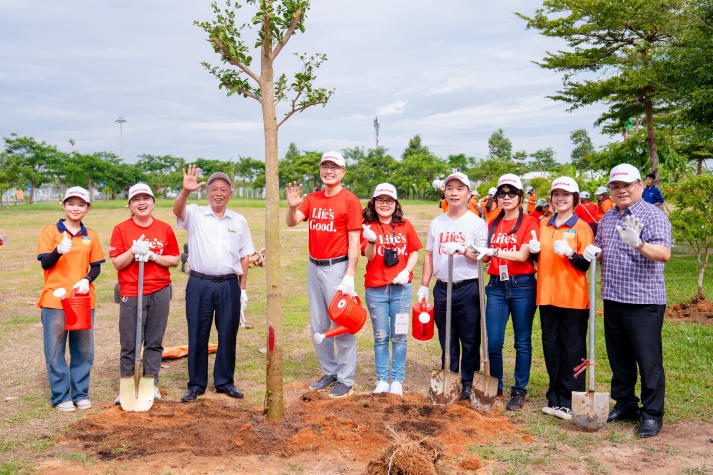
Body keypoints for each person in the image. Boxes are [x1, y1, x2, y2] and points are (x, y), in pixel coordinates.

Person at [584, 163, 671, 438]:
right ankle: (625, 404)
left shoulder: (652, 215)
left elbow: (664, 253)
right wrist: (593, 252)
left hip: (644, 301)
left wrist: (639, 245)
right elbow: (602, 250)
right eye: (616, 186)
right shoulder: (608, 218)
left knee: (647, 359)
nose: (621, 191)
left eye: (627, 186)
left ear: (640, 186)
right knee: (619, 357)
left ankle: (652, 413)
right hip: (613, 297)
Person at [173, 166, 254, 403]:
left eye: (223, 190)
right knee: (197, 332)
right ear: (207, 192)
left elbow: (244, 255)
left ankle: (225, 382)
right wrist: (185, 191)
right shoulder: (196, 214)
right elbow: (177, 211)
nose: (218, 193)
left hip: (229, 285)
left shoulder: (239, 220)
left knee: (228, 333)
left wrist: (243, 288)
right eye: (214, 189)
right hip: (200, 283)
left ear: (230, 193)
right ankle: (196, 384)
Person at [285, 151, 362, 398]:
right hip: (313, 266)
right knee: (318, 322)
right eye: (325, 166)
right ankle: (330, 371)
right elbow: (292, 221)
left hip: (337, 267)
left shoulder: (350, 200)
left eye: (334, 167)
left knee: (342, 322)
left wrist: (350, 274)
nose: (329, 171)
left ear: (343, 172)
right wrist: (292, 207)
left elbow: (354, 240)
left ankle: (346, 379)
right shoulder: (313, 198)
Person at [417, 172, 488, 400]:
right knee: (446, 337)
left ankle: (467, 382)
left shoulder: (476, 223)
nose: (454, 192)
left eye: (460, 188)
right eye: (450, 188)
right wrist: (424, 285)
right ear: (444, 192)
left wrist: (463, 249)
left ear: (469, 193)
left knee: (469, 338)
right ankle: (450, 378)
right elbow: (429, 254)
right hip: (443, 287)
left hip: (468, 287)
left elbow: (484, 257)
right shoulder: (437, 223)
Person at [528, 177, 594, 421]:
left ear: (575, 198)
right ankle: (554, 397)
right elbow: (539, 262)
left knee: (573, 351)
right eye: (556, 194)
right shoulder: (544, 224)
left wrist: (571, 254)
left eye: (566, 195)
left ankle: (572, 400)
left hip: (573, 299)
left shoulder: (583, 227)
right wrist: (533, 253)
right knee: (552, 349)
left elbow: (584, 265)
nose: (560, 199)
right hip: (547, 296)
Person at [472, 173, 539, 411]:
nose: (507, 197)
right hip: (497, 287)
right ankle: (497, 385)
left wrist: (493, 252)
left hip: (522, 285)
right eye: (502, 193)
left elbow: (522, 255)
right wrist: (465, 249)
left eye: (512, 193)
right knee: (493, 341)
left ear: (521, 196)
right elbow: (484, 255)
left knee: (522, 341)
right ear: (497, 197)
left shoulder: (530, 222)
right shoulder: (493, 223)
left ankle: (519, 390)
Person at [36, 186, 105, 411]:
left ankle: (80, 393)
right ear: (63, 206)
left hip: (82, 299)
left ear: (87, 208)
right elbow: (45, 263)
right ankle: (60, 396)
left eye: (81, 204)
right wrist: (57, 251)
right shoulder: (50, 231)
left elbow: (96, 266)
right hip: (54, 300)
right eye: (71, 204)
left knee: (83, 349)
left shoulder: (90, 235)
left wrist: (87, 280)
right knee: (55, 349)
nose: (76, 208)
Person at [110, 183, 180, 404]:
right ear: (130, 205)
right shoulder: (121, 229)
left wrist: (152, 256)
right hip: (131, 291)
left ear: (153, 202)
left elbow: (175, 260)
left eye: (146, 198)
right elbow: (117, 263)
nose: (142, 203)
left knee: (154, 341)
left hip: (159, 290)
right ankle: (126, 386)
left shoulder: (164, 228)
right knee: (130, 341)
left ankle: (152, 383)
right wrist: (133, 251)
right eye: (136, 199)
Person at [361, 183, 423, 397]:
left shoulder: (405, 225)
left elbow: (414, 251)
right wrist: (370, 240)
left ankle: (396, 380)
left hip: (401, 290)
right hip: (376, 290)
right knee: (380, 336)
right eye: (380, 200)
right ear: (374, 202)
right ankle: (381, 380)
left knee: (399, 336)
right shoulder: (368, 226)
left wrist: (407, 270)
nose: (384, 204)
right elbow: (369, 256)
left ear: (395, 203)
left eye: (389, 200)